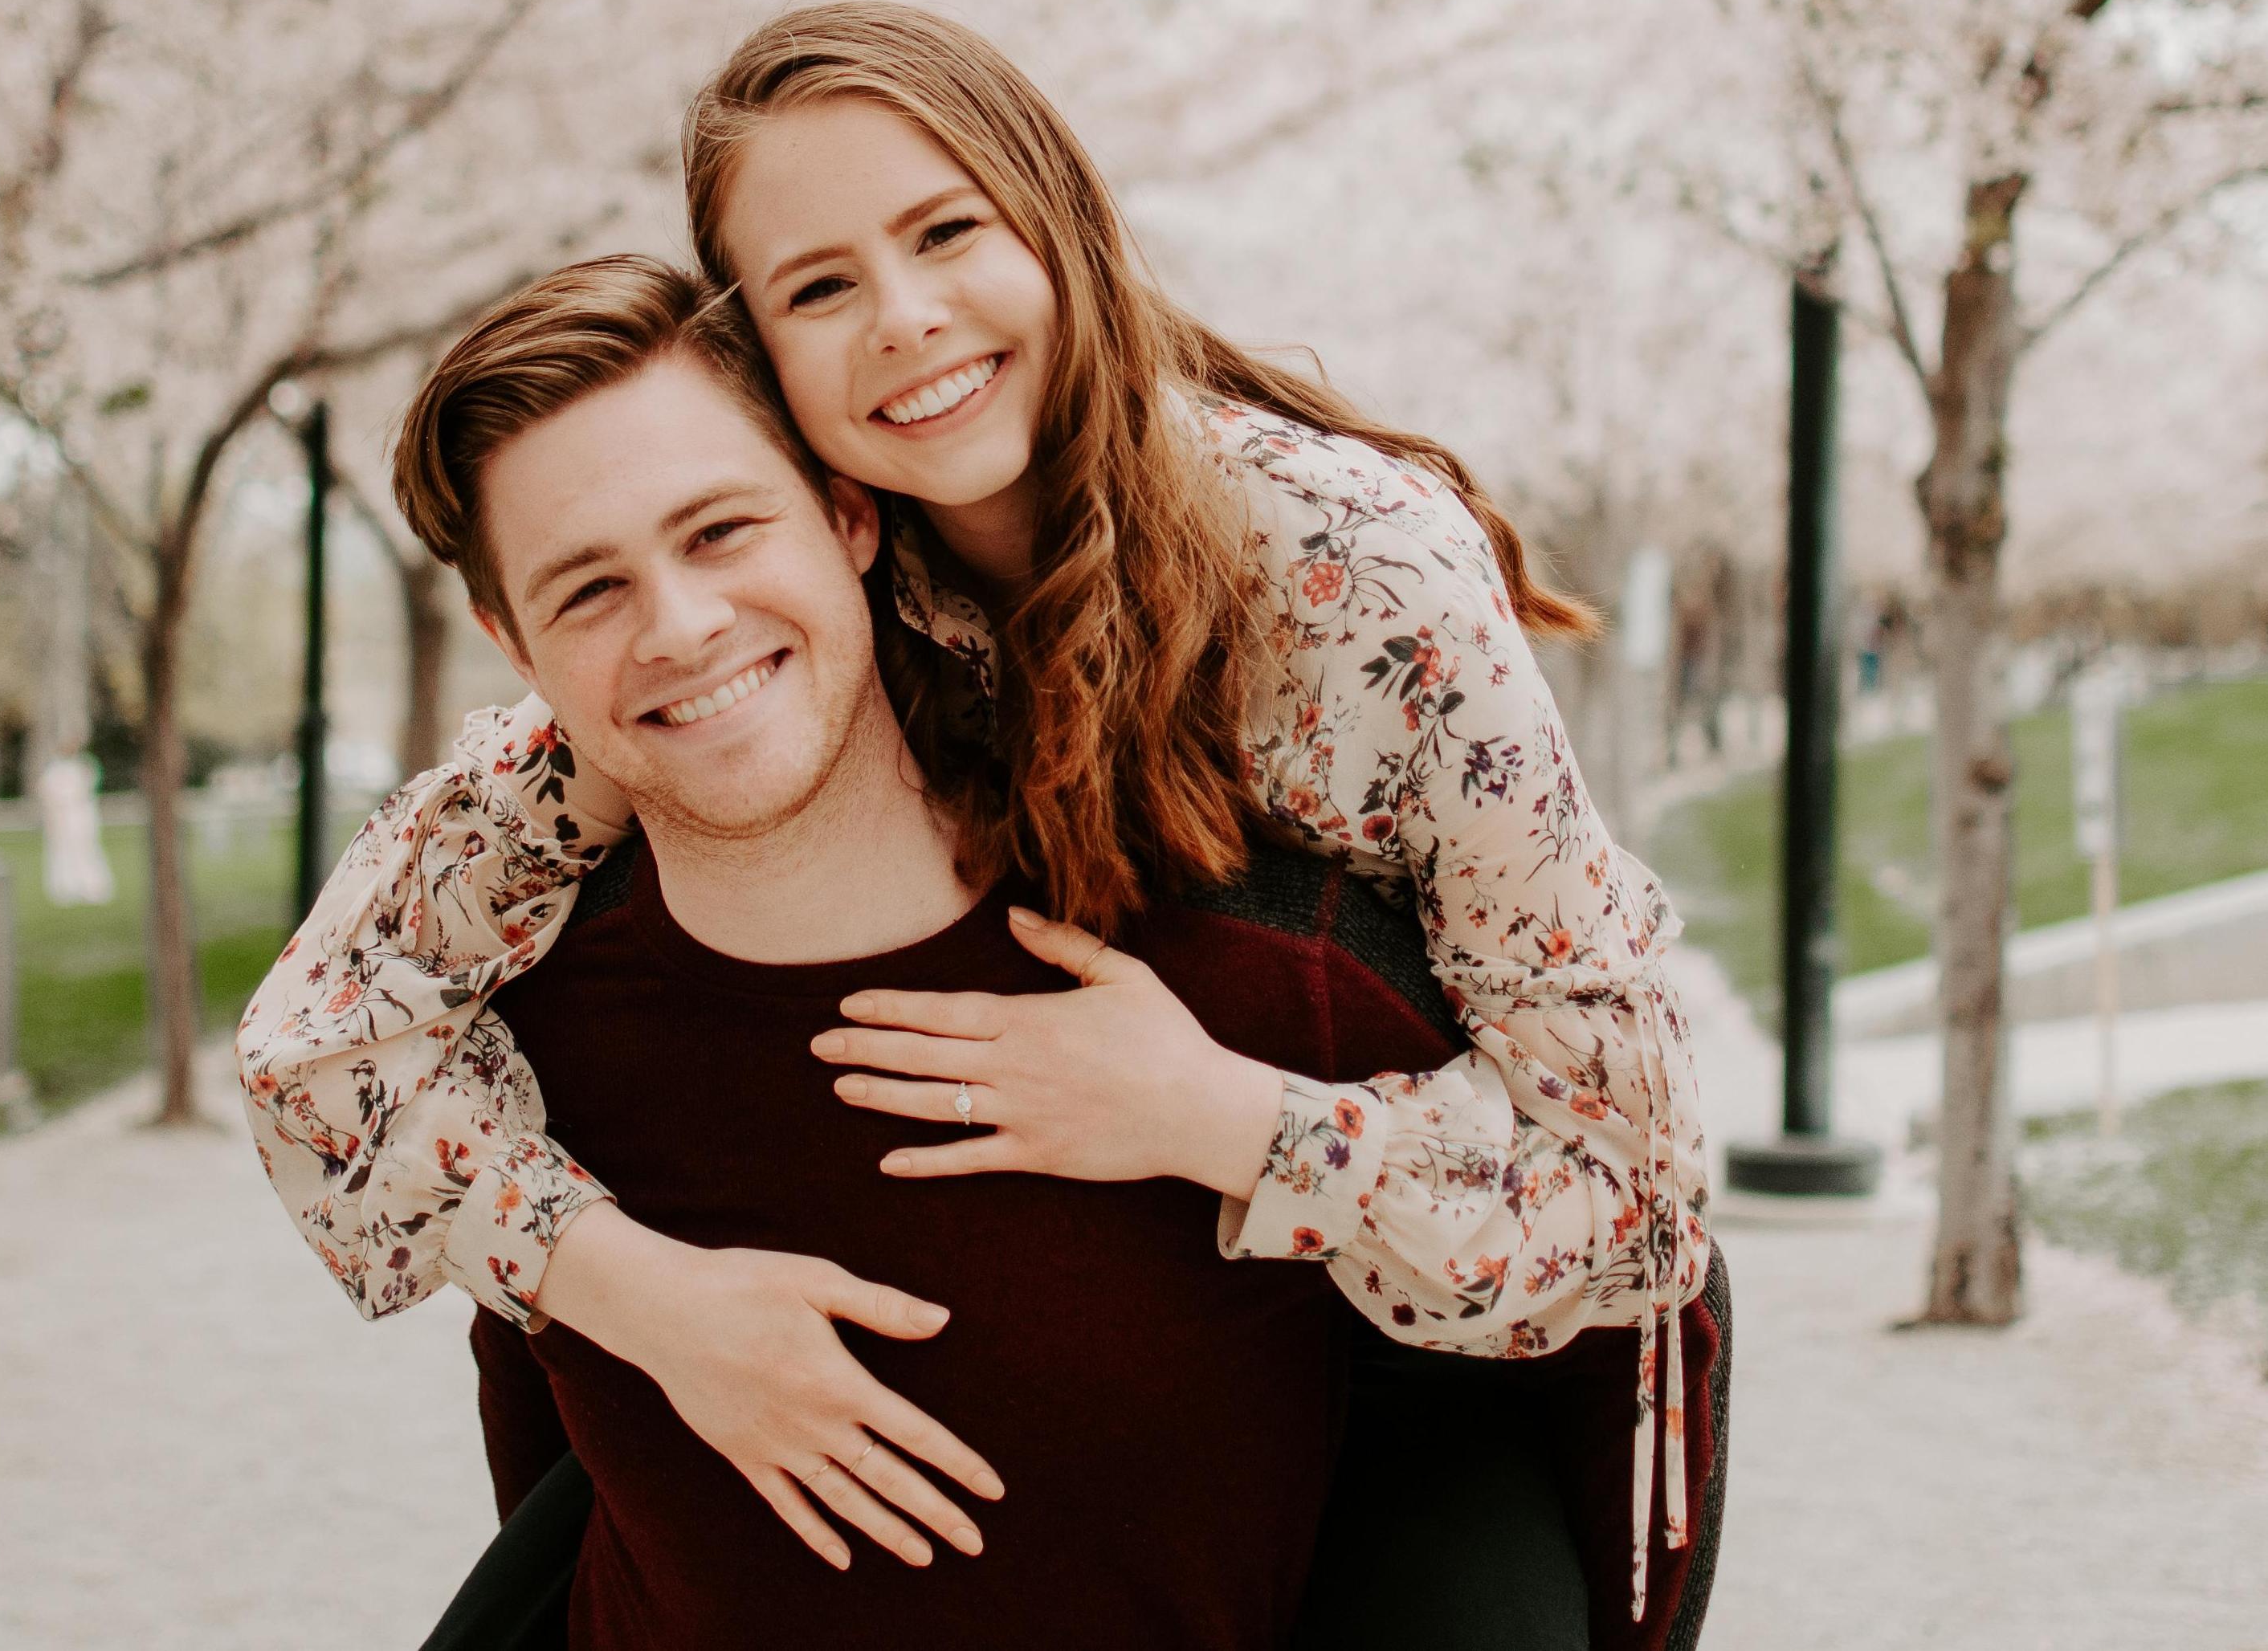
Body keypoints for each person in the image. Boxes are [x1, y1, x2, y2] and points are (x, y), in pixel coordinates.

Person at [237, 3, 1714, 1637]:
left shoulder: (1352, 571)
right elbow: (318, 1041)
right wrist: (647, 1294)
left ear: (1058, 219)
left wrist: (1203, 1111)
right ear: (776, 384)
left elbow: (1630, 1182)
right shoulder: (750, 600)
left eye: (945, 230)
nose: (905, 319)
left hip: (1397, 1313)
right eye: (816, 286)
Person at [373, 252, 1592, 1649]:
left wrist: (1233, 1123)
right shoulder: (506, 1050)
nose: (682, 626)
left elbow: (1564, 1334)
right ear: (509, 643)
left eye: (719, 532)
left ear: (849, 516)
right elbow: (546, 1490)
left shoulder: (1244, 988)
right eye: (586, 590)